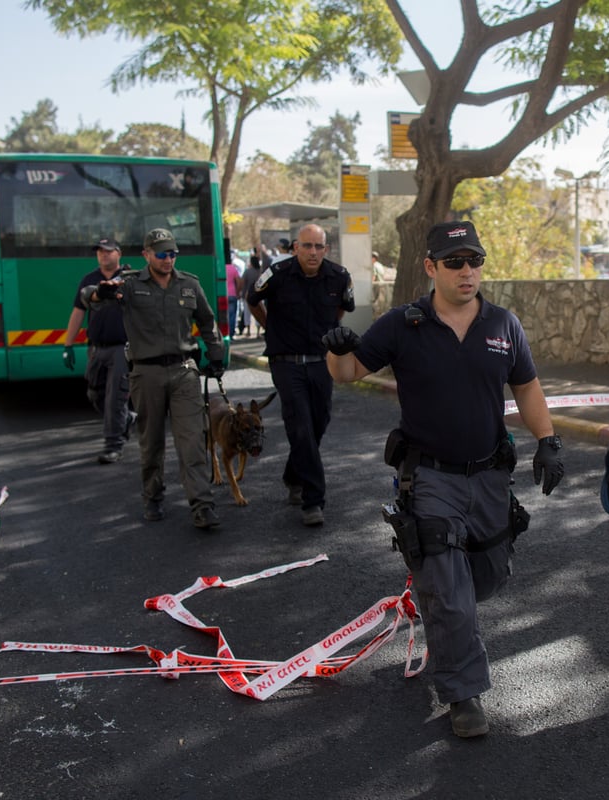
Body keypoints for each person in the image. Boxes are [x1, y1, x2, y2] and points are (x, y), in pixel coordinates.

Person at [323, 220, 565, 737]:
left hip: (489, 478)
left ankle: (442, 616)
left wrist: (548, 442)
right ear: (430, 267)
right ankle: (462, 693)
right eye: (454, 261)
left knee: (488, 576)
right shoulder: (402, 325)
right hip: (429, 478)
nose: (467, 270)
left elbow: (527, 387)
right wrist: (337, 346)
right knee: (451, 592)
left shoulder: (504, 325)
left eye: (474, 259)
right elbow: (344, 374)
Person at [81, 228, 226, 529]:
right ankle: (153, 496)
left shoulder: (189, 285)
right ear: (146, 254)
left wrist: (216, 356)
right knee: (152, 443)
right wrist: (101, 292)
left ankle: (202, 505)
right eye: (161, 254)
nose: (168, 259)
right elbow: (88, 296)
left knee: (192, 442)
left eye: (172, 253)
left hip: (184, 371)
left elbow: (208, 322)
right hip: (145, 374)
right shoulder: (130, 284)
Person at [246, 224, 355, 526]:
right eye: (307, 246)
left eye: (319, 247)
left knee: (319, 422)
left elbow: (341, 310)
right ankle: (313, 500)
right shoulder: (277, 274)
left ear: (326, 249)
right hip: (286, 361)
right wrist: (270, 328)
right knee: (301, 425)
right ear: (295, 247)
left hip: (322, 361)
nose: (313, 252)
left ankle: (293, 475)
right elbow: (252, 301)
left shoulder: (339, 276)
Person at [63, 237, 135, 464]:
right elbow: (78, 312)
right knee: (95, 394)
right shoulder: (90, 280)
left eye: (108, 251)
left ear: (118, 253)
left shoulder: (129, 279)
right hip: (96, 348)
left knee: (115, 398)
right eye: (100, 252)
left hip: (121, 349)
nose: (104, 255)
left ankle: (113, 446)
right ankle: (126, 420)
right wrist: (68, 344)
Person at [238, 254, 263, 338]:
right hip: (260, 295)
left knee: (247, 314)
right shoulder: (260, 271)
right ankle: (258, 332)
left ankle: (248, 331)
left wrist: (241, 292)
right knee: (259, 313)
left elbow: (242, 282)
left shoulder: (247, 271)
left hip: (247, 295)